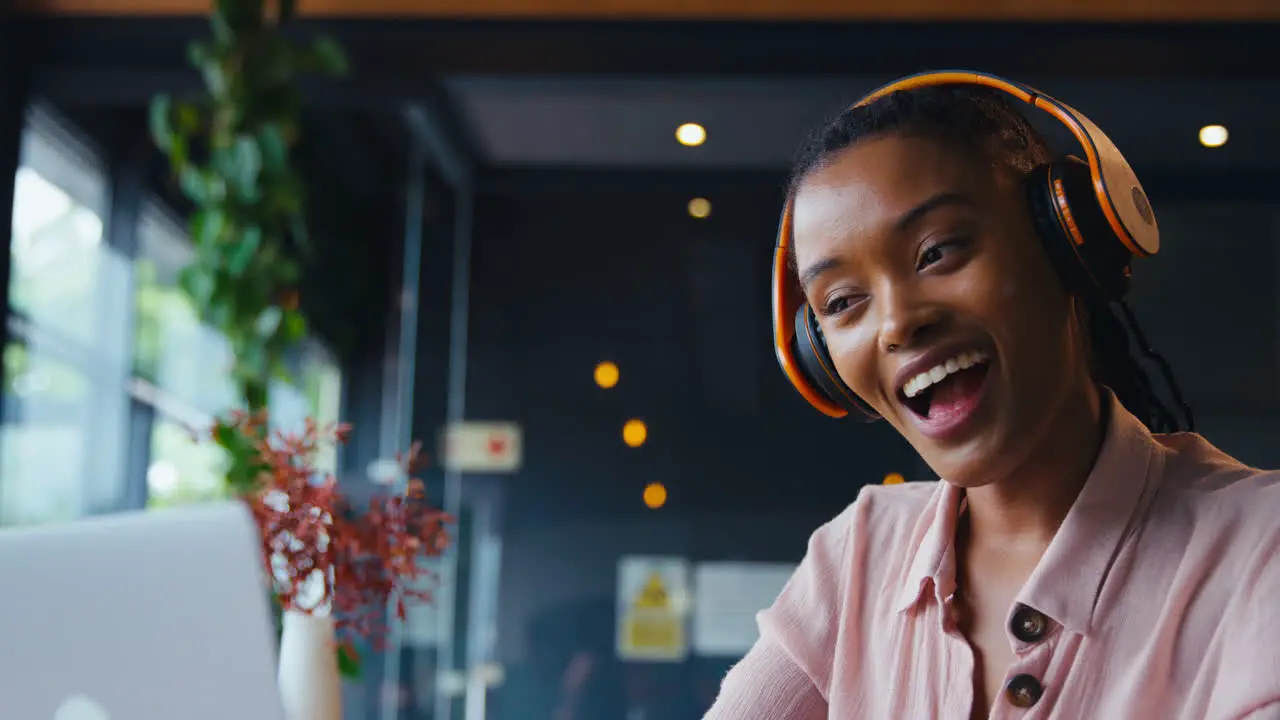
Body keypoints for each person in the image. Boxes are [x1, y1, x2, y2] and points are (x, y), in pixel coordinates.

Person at [705, 74, 1280, 719]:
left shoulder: (1263, 552)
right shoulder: (858, 554)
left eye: (938, 252)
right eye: (842, 302)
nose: (897, 324)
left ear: (1066, 242)